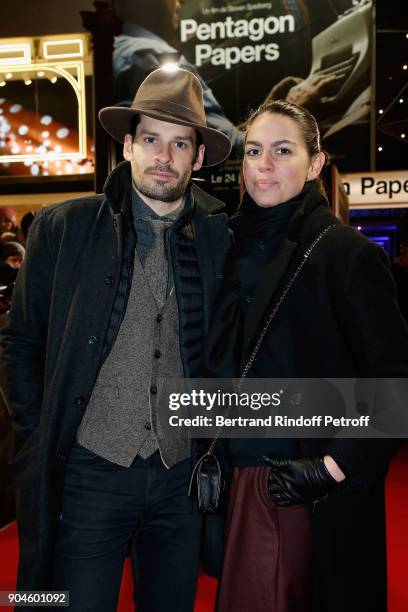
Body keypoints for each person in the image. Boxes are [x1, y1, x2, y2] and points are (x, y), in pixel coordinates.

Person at [0, 67, 231, 611]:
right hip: (89, 471)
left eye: (180, 143)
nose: (164, 156)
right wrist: (39, 436)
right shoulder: (65, 227)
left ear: (198, 158)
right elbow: (20, 343)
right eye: (151, 139)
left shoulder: (223, 235)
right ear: (128, 145)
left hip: (180, 477)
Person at [201, 100, 408, 612]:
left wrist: (334, 467)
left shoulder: (345, 254)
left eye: (282, 150)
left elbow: (397, 382)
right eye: (253, 151)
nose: (263, 164)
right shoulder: (226, 248)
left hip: (309, 494)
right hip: (232, 485)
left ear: (315, 164)